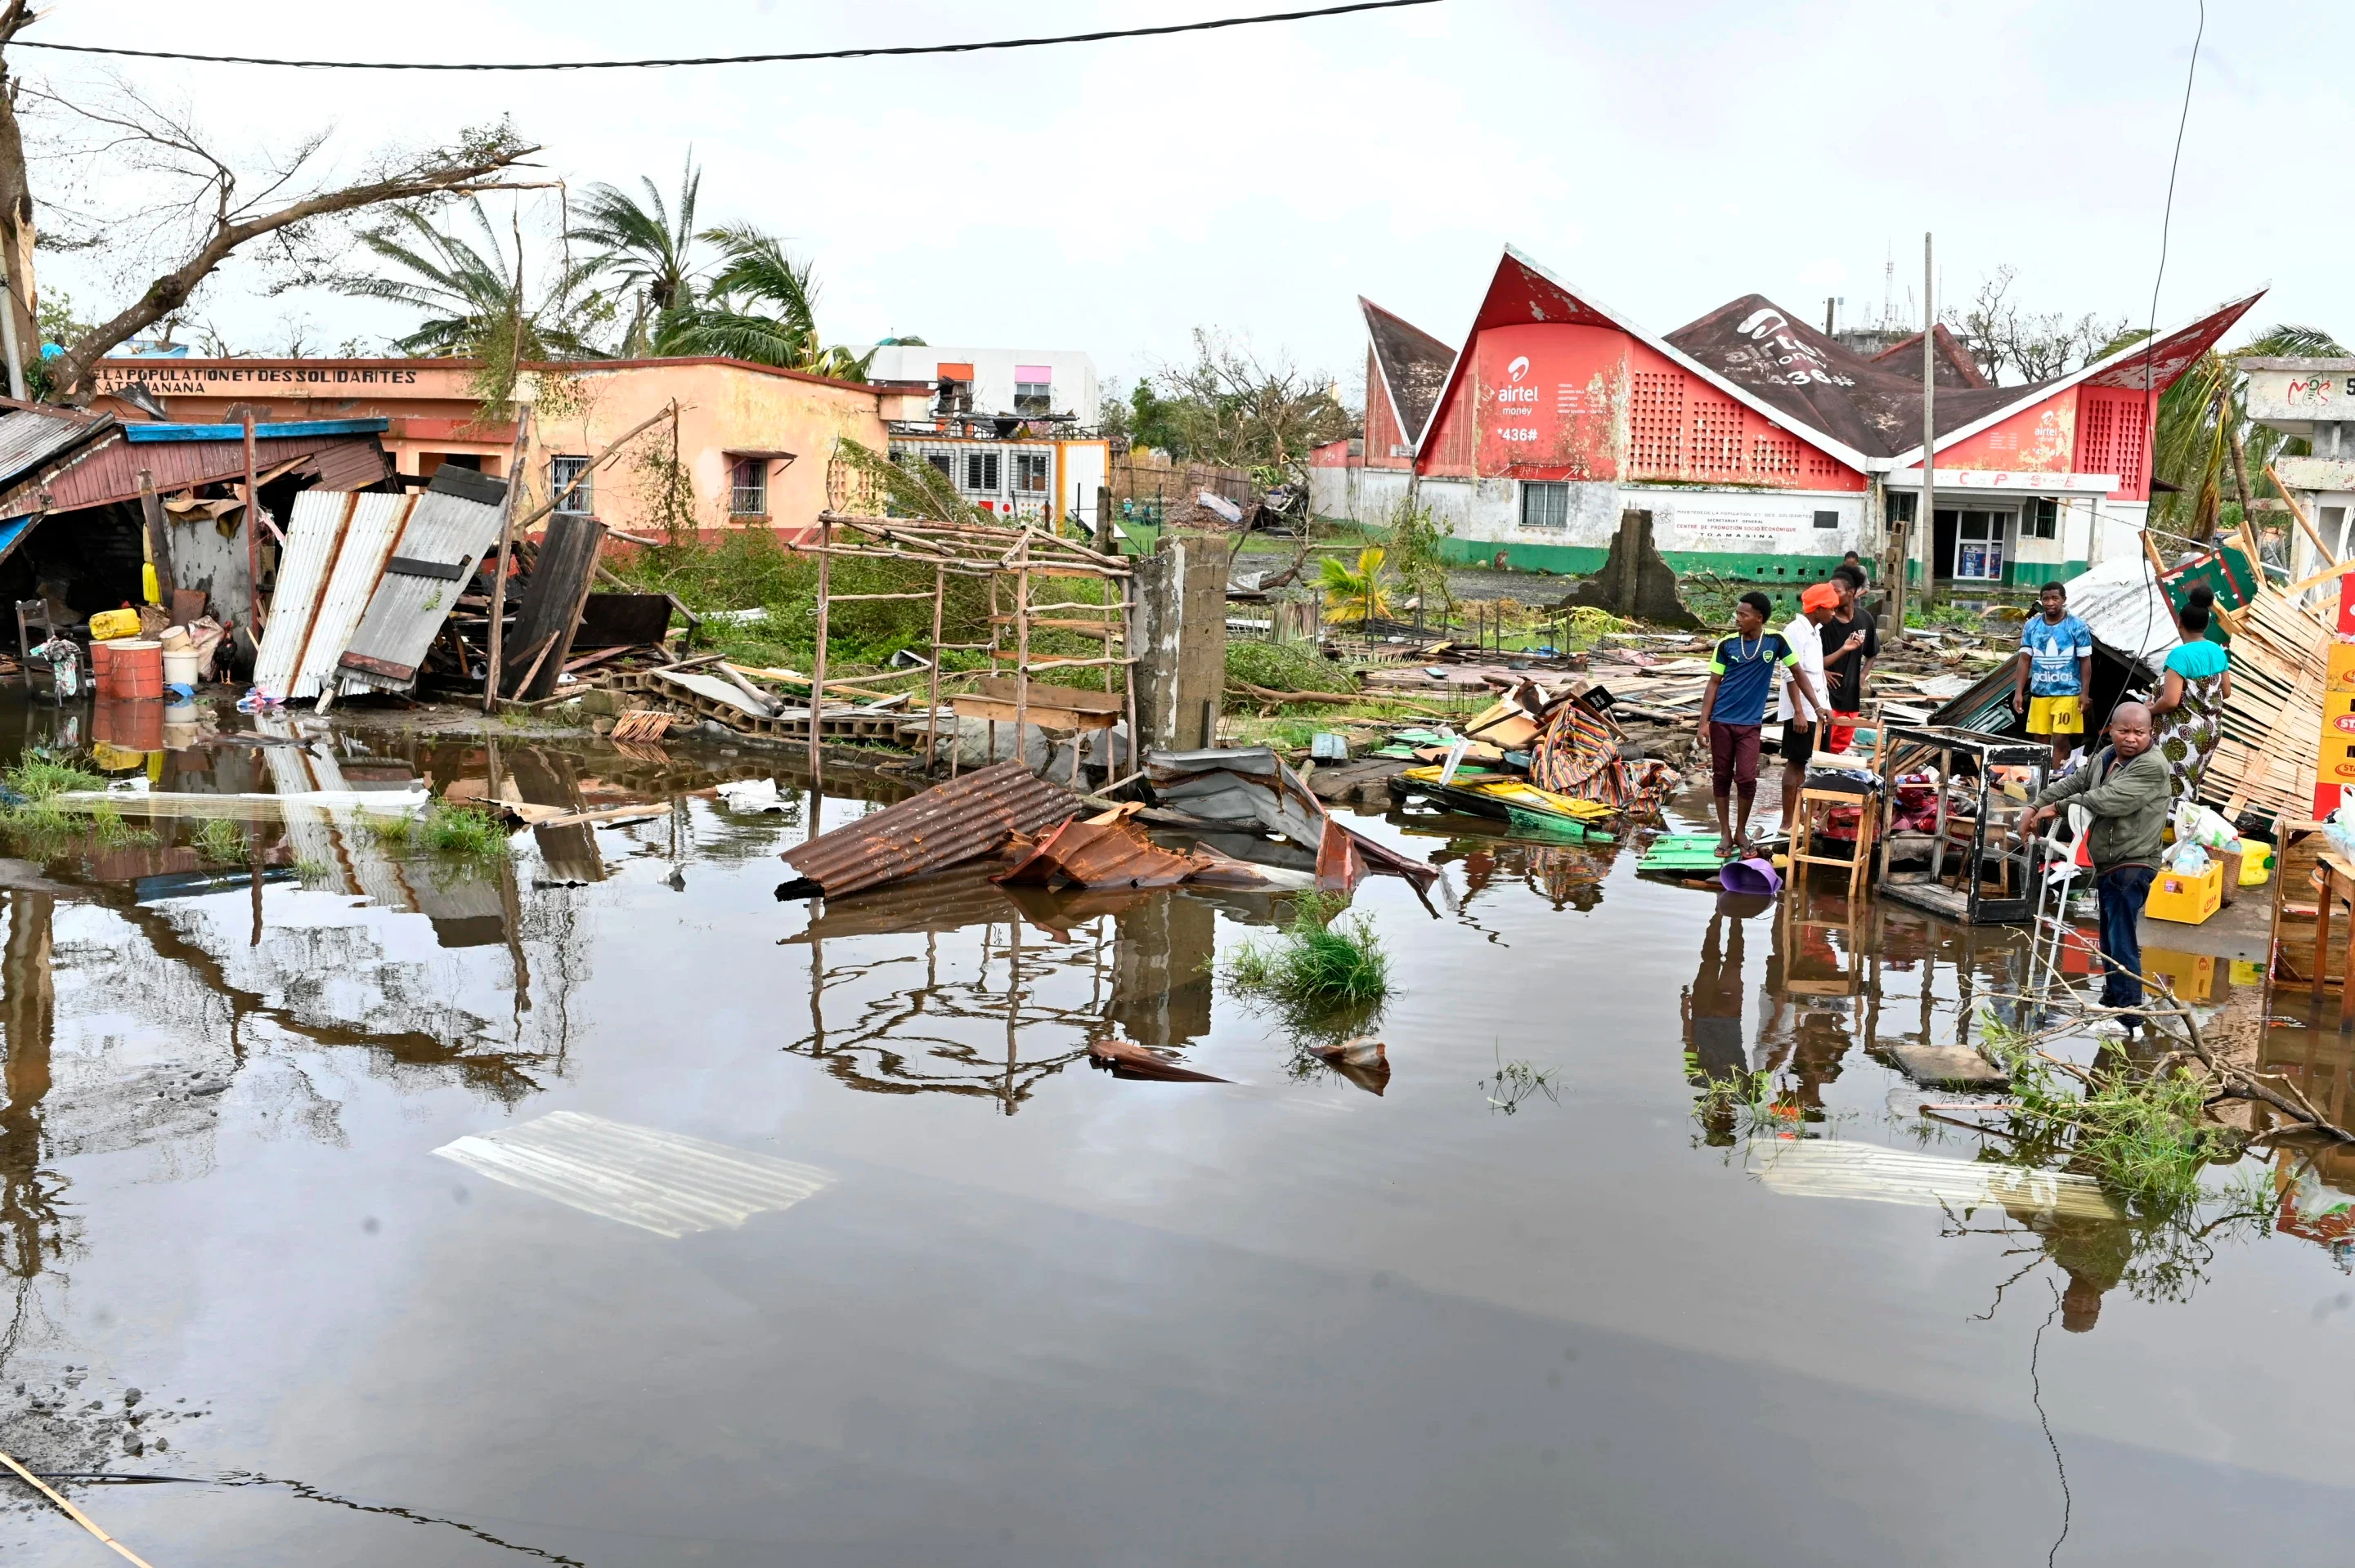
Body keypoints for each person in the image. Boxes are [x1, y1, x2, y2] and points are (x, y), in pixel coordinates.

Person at [2016, 702, 2169, 1036]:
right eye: (2124, 731)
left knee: (2122, 938)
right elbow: (2075, 783)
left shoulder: (2152, 766)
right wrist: (2035, 804)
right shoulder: (2105, 757)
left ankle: (2130, 1018)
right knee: (2109, 938)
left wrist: (2055, 809)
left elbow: (2111, 799)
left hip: (2134, 860)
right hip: (2110, 860)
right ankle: (2112, 1001)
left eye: (2139, 733)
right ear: (2111, 731)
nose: (2131, 738)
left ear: (2150, 734)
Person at [1694, 589, 1800, 858]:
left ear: (1759, 618)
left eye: (1744, 614)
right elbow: (1713, 684)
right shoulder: (1727, 644)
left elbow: (1796, 673)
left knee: (1746, 777)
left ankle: (1741, 831)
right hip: (1721, 721)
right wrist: (1703, 722)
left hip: (1750, 725)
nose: (1737, 618)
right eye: (1737, 613)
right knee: (1721, 776)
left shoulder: (1776, 641)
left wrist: (1806, 708)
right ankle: (1725, 833)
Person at [1776, 582, 1850, 831]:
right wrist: (1799, 711)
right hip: (1804, 711)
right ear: (1817, 608)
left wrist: (1821, 706)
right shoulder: (1795, 631)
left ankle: (1804, 818)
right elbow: (1790, 673)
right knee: (1796, 763)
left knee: (1813, 763)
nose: (1833, 614)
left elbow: (1814, 669)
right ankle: (1788, 822)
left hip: (1817, 709)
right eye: (1830, 609)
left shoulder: (1814, 631)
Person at [2148, 601, 2232, 805]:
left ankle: (2173, 831)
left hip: (2182, 734)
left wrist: (2149, 710)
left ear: (2180, 623)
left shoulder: (2180, 655)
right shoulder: (2217, 651)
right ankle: (2185, 828)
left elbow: (2170, 701)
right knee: (2191, 783)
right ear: (2206, 626)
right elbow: (2226, 692)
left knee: (2174, 785)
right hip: (2209, 732)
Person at [2012, 580, 2093, 768]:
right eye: (2046, 598)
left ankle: (2055, 776)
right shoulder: (2032, 626)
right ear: (2041, 601)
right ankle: (2040, 776)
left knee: (2059, 738)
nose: (2050, 603)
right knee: (2040, 738)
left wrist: (2084, 693)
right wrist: (2019, 692)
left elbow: (2085, 661)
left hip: (2068, 693)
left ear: (2064, 600)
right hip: (2040, 693)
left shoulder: (2077, 626)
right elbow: (2024, 660)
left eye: (2055, 598)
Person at [1819, 563, 1878, 754]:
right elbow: (1808, 658)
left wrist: (1863, 674)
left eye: (1836, 591)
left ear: (1851, 593)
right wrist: (1823, 671)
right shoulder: (1825, 622)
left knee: (1839, 748)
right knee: (1822, 748)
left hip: (1851, 697)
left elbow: (1872, 652)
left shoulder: (1865, 619)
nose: (1831, 595)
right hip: (1828, 697)